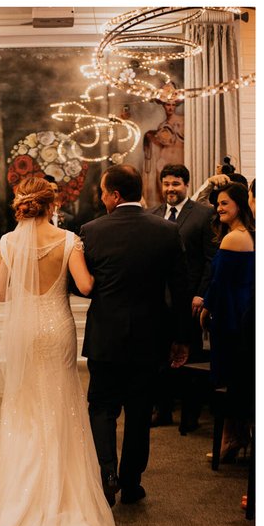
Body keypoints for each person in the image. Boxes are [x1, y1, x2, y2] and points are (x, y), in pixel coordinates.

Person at [0, 177, 116, 526]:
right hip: (57, 329)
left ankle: (18, 502)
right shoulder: (68, 240)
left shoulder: (7, 243)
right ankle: (61, 499)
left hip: (24, 332)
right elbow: (87, 286)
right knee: (59, 404)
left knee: (24, 408)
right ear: (51, 202)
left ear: (22, 204)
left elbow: (1, 293)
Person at [79, 164, 193, 506]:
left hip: (106, 336)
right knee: (140, 412)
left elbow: (81, 286)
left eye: (102, 192)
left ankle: (107, 473)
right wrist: (182, 338)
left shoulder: (91, 231)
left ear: (114, 195)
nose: (101, 198)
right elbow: (181, 288)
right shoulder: (166, 230)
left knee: (101, 407)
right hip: (151, 337)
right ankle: (131, 483)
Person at [148, 164, 218, 430]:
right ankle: (161, 410)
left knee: (190, 358)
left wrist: (201, 294)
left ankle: (190, 416)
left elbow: (211, 260)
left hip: (189, 300)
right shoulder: (152, 214)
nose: (170, 189)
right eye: (166, 184)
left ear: (186, 185)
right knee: (160, 358)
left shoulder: (203, 214)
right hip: (158, 300)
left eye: (175, 184)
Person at [199, 181, 255, 463]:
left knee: (228, 378)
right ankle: (236, 435)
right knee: (236, 378)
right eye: (217, 203)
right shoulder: (246, 234)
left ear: (240, 205)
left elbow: (220, 282)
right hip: (241, 310)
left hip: (231, 314)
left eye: (224, 204)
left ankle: (230, 438)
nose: (218, 208)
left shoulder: (234, 238)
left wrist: (206, 309)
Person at [142, 83, 185, 208]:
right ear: (163, 105)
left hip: (176, 160)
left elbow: (171, 139)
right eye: (167, 104)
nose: (170, 108)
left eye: (173, 105)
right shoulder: (162, 125)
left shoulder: (182, 122)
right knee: (163, 196)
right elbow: (161, 142)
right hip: (162, 163)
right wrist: (150, 136)